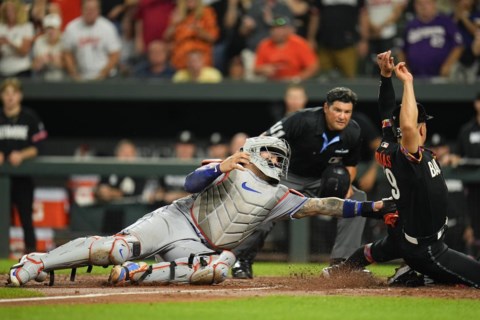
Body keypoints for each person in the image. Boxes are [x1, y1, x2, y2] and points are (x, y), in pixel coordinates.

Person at [8, 135, 396, 287]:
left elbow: (323, 205)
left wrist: (373, 207)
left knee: (219, 268)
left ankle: (139, 274)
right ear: (256, 150)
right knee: (114, 248)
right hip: (177, 219)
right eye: (272, 153)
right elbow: (190, 185)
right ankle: (38, 262)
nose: (276, 159)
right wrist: (221, 166)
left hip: (201, 247)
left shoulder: (282, 194)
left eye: (281, 155)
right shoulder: (231, 164)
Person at [323, 50, 480, 289]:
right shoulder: (409, 152)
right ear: (418, 128)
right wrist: (407, 82)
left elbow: (387, 111)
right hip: (428, 249)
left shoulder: (389, 142)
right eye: (422, 122)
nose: (423, 126)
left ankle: (340, 272)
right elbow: (407, 127)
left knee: (374, 250)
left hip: (403, 231)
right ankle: (415, 273)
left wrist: (386, 78)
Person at [231, 87, 366, 279]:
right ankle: (241, 260)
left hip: (319, 181)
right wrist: (266, 157)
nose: (342, 116)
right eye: (338, 110)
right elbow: (261, 140)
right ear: (326, 107)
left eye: (347, 112)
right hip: (286, 177)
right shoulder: (302, 119)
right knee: (263, 207)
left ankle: (343, 264)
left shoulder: (353, 131)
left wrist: (347, 186)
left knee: (358, 199)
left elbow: (351, 165)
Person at [0, 78, 48, 254]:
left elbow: (40, 145)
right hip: (2, 178)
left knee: (26, 220)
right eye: (6, 93)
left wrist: (22, 154)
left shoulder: (30, 117)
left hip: (23, 177)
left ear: (19, 96)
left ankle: (31, 257)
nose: (10, 97)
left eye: (13, 93)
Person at [397, 0, 464, 79]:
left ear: (434, 4)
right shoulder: (410, 25)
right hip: (416, 78)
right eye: (420, 4)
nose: (423, 7)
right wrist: (406, 71)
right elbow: (401, 51)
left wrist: (448, 65)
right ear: (415, 6)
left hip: (441, 77)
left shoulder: (446, 22)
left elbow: (458, 46)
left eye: (427, 3)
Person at [94, 139, 150, 234]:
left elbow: (135, 192)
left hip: (132, 218)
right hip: (110, 216)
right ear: (117, 154)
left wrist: (112, 193)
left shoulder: (140, 172)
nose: (127, 156)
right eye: (124, 152)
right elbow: (100, 189)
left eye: (130, 153)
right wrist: (101, 192)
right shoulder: (109, 169)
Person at [450, 92, 480, 258]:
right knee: (472, 227)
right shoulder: (467, 130)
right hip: (471, 189)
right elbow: (458, 155)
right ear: (476, 104)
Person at [62, 0, 121, 81]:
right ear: (81, 9)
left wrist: (102, 74)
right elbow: (67, 53)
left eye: (93, 9)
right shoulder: (71, 28)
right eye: (87, 9)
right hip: (80, 78)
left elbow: (115, 54)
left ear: (99, 10)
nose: (90, 12)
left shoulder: (108, 27)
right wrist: (74, 73)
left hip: (106, 78)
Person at [253, 15, 318, 81]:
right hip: (272, 83)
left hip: (295, 83)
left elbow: (313, 67)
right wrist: (263, 69)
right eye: (274, 29)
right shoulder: (264, 45)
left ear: (288, 30)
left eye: (281, 28)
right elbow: (256, 69)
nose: (277, 31)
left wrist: (297, 79)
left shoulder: (299, 43)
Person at [0, 0, 35, 78]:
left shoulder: (27, 27)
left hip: (21, 70)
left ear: (18, 11)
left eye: (12, 10)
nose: (9, 13)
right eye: (7, 10)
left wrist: (9, 43)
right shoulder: (1, 27)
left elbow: (24, 52)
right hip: (2, 69)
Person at [31, 13, 65, 81]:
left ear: (58, 29)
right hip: (43, 79)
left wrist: (57, 62)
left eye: (53, 29)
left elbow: (71, 65)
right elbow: (34, 66)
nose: (50, 32)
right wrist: (40, 62)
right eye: (48, 29)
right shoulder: (39, 41)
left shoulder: (65, 40)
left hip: (63, 80)